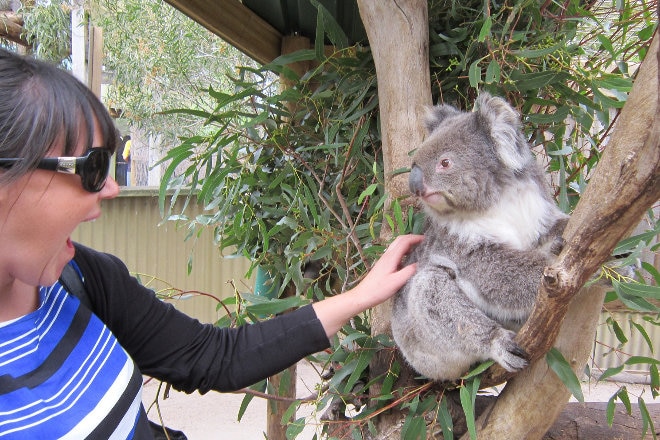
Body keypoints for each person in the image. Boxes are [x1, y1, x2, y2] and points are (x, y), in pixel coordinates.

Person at [0, 48, 424, 439]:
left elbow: (214, 355)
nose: (110, 187)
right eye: (92, 168)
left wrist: (362, 295)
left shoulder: (82, 280)